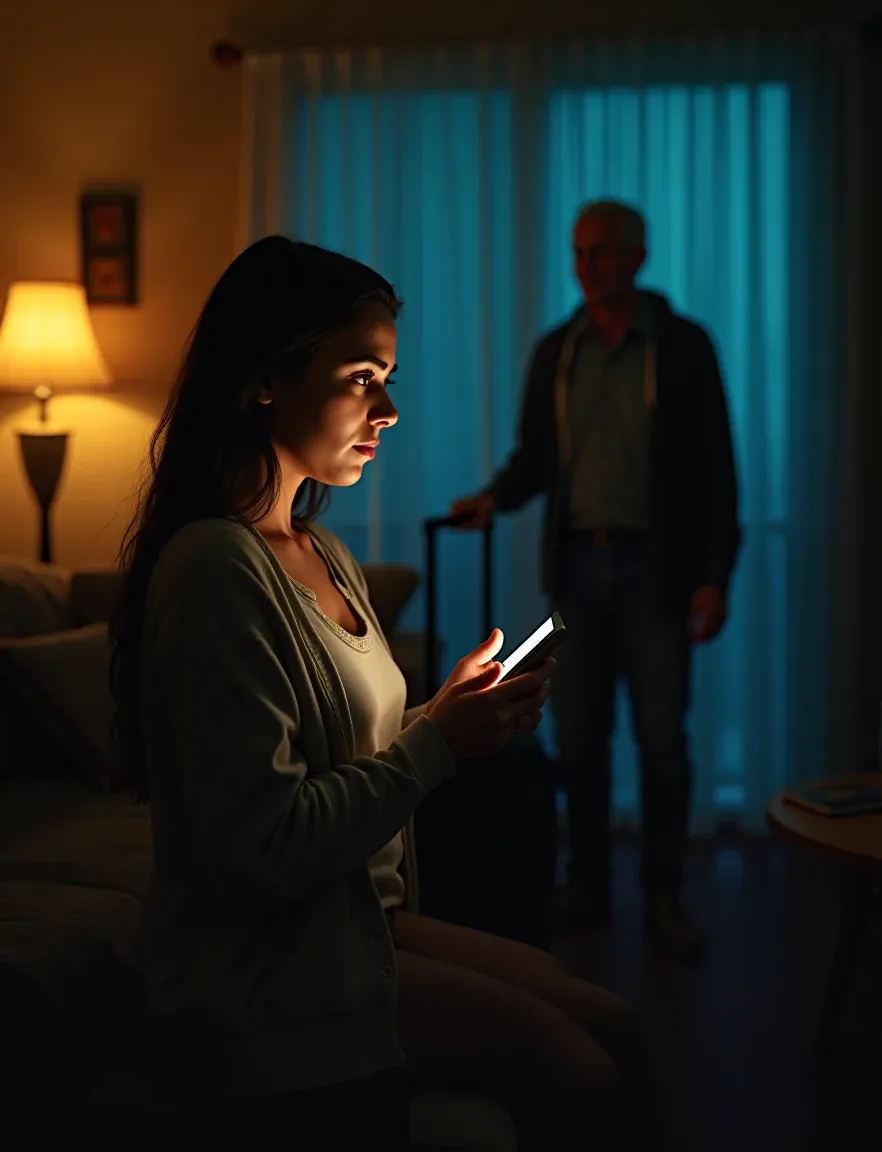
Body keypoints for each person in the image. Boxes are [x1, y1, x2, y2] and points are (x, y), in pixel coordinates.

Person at [110, 235, 662, 1151]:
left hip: (357, 921)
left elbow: (337, 753)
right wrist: (438, 742)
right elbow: (263, 846)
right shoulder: (212, 570)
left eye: (388, 377)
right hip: (271, 969)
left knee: (615, 1021)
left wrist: (441, 713)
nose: (390, 409)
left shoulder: (320, 552)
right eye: (363, 377)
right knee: (582, 1066)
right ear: (265, 380)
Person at [453, 201, 740, 962]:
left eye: (603, 252)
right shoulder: (559, 351)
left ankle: (664, 894)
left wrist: (713, 577)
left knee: (662, 743)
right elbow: (535, 459)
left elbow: (717, 471)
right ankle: (584, 886)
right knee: (576, 740)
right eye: (578, 253)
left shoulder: (680, 347)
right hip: (578, 567)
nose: (587, 267)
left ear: (638, 255)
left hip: (658, 569)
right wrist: (494, 497)